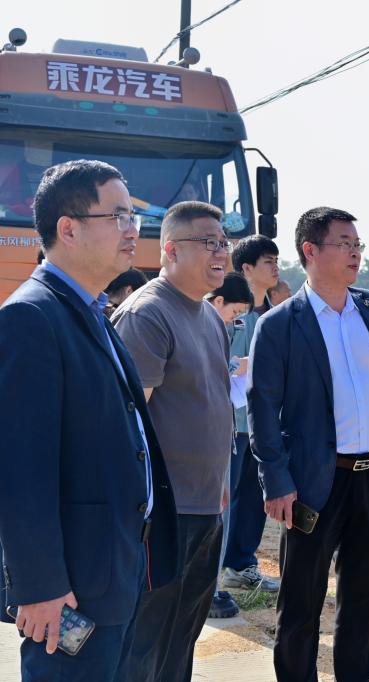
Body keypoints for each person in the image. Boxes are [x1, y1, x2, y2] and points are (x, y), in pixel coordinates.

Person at [0, 159, 178, 681]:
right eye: (118, 216)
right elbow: (16, 471)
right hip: (70, 588)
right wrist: (40, 586)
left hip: (111, 568)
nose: (133, 229)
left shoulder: (88, 310)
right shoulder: (31, 317)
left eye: (134, 217)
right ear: (68, 228)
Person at [247, 206, 369, 681]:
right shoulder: (279, 324)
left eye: (358, 245)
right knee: (302, 600)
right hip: (312, 481)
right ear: (310, 251)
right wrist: (276, 481)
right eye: (345, 244)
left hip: (368, 476)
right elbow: (262, 409)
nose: (355, 253)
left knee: (364, 595)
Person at [111, 201, 235, 682]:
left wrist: (219, 483)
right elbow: (126, 429)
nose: (220, 252)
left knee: (183, 634)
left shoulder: (208, 317)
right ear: (170, 250)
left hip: (204, 507)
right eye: (207, 242)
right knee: (145, 640)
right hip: (162, 516)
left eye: (223, 242)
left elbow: (212, 404)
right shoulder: (148, 315)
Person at [219, 235, 282, 600]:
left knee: (255, 498)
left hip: (260, 422)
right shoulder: (230, 309)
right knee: (226, 500)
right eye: (268, 261)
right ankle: (216, 571)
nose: (275, 268)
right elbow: (213, 358)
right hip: (230, 424)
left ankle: (241, 564)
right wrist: (240, 365)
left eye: (277, 261)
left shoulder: (273, 314)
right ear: (246, 268)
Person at [206, 271, 255, 619]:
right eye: (234, 312)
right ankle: (207, 589)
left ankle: (210, 585)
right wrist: (234, 368)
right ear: (218, 300)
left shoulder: (211, 325)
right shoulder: (202, 324)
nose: (234, 320)